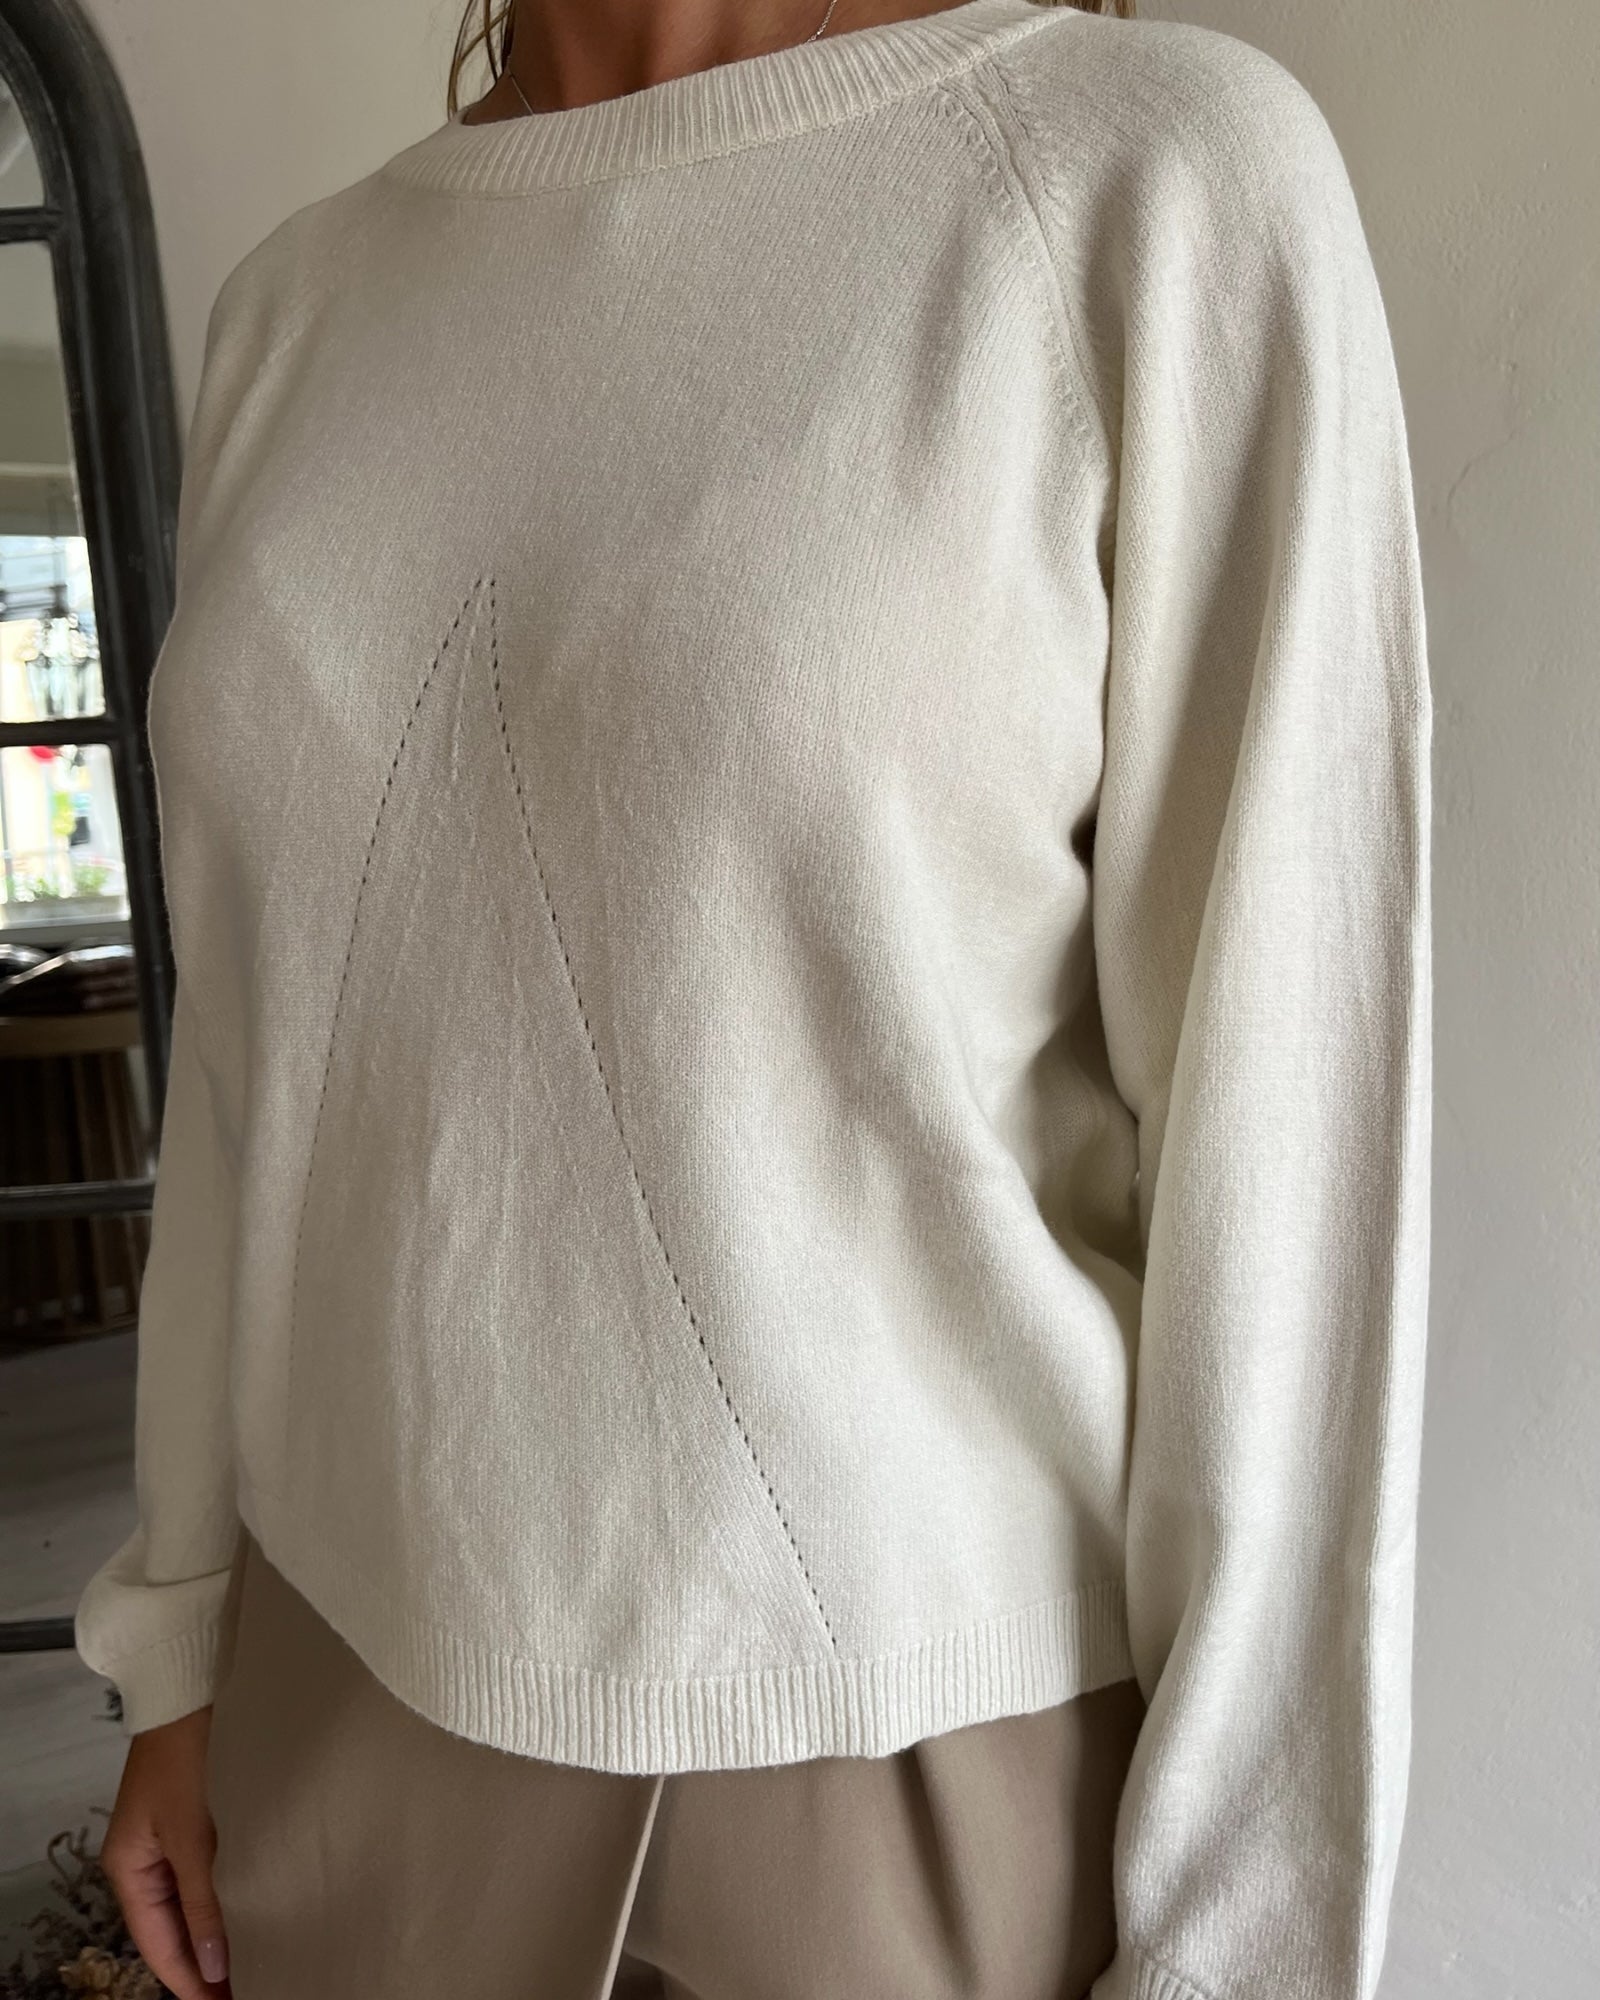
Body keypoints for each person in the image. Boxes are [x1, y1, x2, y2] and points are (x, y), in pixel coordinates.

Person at [74, 0, 1434, 1995]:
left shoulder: (1145, 179)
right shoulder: (299, 303)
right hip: (327, 1691)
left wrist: (1243, 1951)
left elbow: (1293, 1141)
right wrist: (183, 1636)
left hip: (876, 1752)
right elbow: (248, 1054)